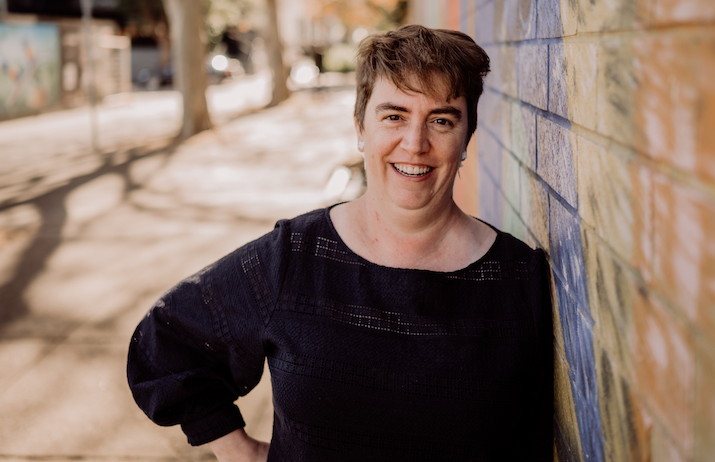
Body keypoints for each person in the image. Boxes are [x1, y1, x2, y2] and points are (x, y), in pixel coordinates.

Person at [127, 25, 554, 461]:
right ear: (361, 130)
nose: (415, 143)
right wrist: (236, 449)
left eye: (441, 120)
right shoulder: (294, 258)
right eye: (394, 116)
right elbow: (163, 343)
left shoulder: (520, 280)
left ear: (465, 139)